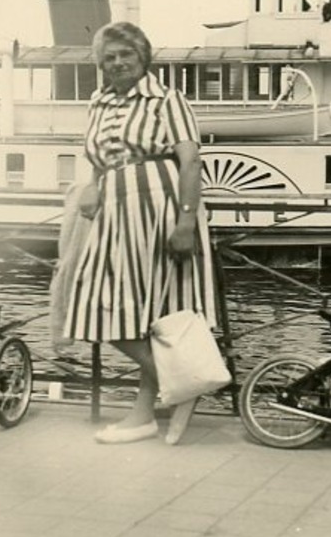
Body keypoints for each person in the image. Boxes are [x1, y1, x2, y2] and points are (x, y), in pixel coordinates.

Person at [60, 22, 218, 446]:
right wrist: (92, 184)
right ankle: (182, 386)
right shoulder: (98, 102)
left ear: (142, 56)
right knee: (103, 306)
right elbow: (96, 156)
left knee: (153, 311)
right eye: (109, 58)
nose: (117, 63)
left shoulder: (167, 99)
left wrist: (186, 221)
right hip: (114, 210)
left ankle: (145, 413)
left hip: (159, 207)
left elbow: (190, 162)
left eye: (125, 55)